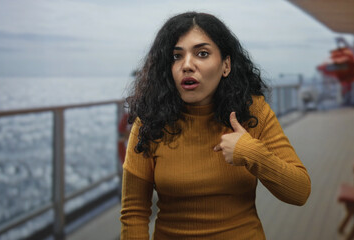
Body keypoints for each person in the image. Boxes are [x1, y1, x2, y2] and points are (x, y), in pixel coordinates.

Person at [120, 12, 311, 240]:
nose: (187, 65)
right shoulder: (150, 121)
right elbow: (134, 214)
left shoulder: (253, 113)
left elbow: (300, 192)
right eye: (175, 56)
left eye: (202, 54)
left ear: (226, 66)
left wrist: (251, 153)